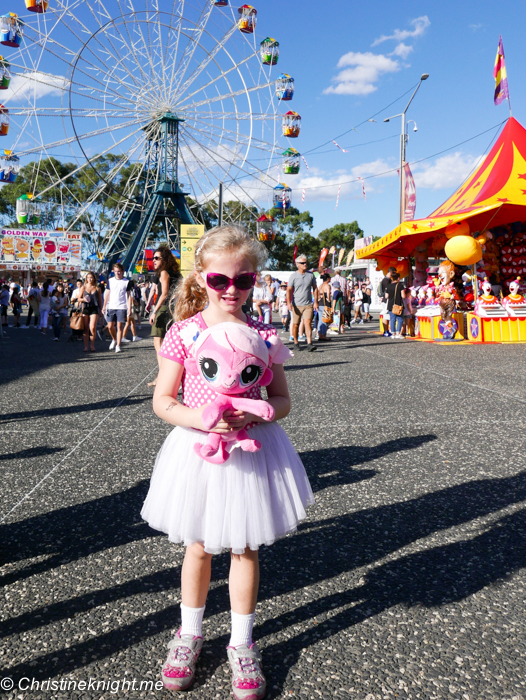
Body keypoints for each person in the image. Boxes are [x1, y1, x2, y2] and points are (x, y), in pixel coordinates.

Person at [141, 225, 314, 697]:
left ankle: (241, 641)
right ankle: (190, 633)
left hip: (251, 450)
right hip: (197, 450)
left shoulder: (263, 333)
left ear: (255, 280)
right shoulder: (185, 332)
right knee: (197, 545)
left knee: (244, 547)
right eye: (220, 281)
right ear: (201, 277)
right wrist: (200, 417)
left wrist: (257, 413)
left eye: (243, 281)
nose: (232, 290)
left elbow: (281, 399)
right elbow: (162, 399)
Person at [149, 245, 182, 385]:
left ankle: (163, 378)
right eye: (153, 258)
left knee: (158, 343)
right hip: (173, 309)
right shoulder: (177, 274)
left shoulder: (164, 273)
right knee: (170, 345)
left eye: (157, 258)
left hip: (163, 309)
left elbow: (164, 294)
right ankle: (168, 377)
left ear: (164, 259)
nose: (154, 260)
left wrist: (154, 311)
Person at [286, 254, 318, 351]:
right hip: (296, 304)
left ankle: (309, 343)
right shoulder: (293, 276)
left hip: (308, 304)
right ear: (297, 264)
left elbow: (315, 288)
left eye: (306, 262)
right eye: (303, 263)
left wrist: (315, 301)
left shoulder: (311, 275)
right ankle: (296, 342)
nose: (305, 264)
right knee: (296, 324)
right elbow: (288, 290)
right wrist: (288, 303)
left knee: (308, 322)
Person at [102, 263, 130, 354]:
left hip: (121, 306)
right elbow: (107, 294)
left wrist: (129, 308)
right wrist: (104, 306)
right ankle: (114, 339)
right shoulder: (110, 281)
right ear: (113, 271)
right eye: (116, 271)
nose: (117, 273)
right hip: (111, 306)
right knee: (110, 326)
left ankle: (118, 345)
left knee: (119, 326)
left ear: (122, 271)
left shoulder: (127, 282)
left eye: (119, 271)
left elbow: (129, 296)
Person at [80, 271, 103, 352]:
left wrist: (101, 310)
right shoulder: (83, 287)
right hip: (85, 308)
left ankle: (92, 345)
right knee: (85, 328)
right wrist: (83, 299)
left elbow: (100, 300)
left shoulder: (97, 288)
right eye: (88, 277)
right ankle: (86, 346)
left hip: (94, 309)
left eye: (91, 277)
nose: (90, 279)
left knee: (92, 327)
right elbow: (79, 298)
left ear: (94, 278)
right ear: (86, 278)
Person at [385, 271, 406, 339]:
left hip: (390, 305)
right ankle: (398, 333)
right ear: (398, 278)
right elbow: (403, 296)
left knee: (392, 319)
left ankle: (393, 333)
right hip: (398, 305)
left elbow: (386, 296)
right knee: (399, 319)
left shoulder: (388, 286)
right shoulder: (400, 285)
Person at [380, 267, 396, 336]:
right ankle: (386, 331)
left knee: (385, 315)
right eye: (394, 273)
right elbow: (387, 291)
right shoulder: (386, 281)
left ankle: (386, 331)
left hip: (385, 300)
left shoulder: (385, 280)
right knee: (386, 315)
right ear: (390, 272)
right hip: (386, 300)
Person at [317, 272, 332, 341]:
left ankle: (319, 335)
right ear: (328, 279)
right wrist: (329, 299)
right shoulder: (327, 286)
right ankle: (324, 335)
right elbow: (328, 293)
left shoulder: (320, 285)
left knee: (320, 320)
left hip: (320, 303)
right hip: (325, 304)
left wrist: (319, 298)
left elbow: (316, 292)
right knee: (325, 319)